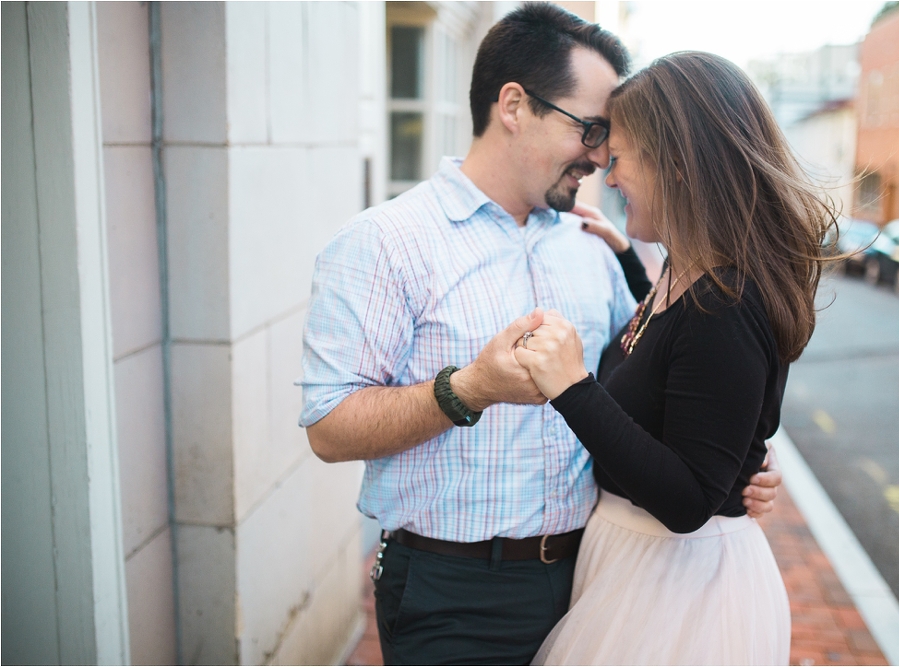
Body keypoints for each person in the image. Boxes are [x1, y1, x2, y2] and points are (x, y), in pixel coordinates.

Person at [300, 7, 781, 665]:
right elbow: (328, 428)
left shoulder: (593, 246)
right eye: (589, 128)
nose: (601, 155)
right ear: (514, 106)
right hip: (455, 592)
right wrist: (467, 389)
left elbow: (660, 382)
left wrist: (736, 459)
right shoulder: (383, 244)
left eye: (609, 138)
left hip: (599, 578)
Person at [513, 52, 835, 665]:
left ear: (679, 167)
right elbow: (670, 363)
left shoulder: (727, 304)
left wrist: (571, 386)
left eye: (621, 157)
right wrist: (631, 263)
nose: (608, 178)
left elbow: (687, 499)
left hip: (678, 595)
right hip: (638, 570)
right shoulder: (686, 278)